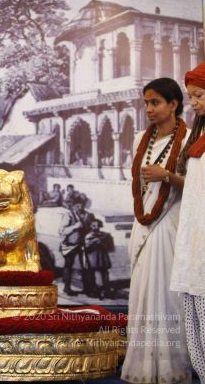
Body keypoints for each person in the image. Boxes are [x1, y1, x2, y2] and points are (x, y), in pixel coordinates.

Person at [122, 77, 191, 384]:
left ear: (173, 104)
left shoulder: (190, 140)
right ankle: (142, 368)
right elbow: (138, 186)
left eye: (155, 102)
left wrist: (167, 176)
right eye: (146, 103)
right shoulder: (141, 138)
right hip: (145, 224)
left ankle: (171, 370)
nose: (149, 109)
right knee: (142, 292)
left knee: (168, 295)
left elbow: (198, 188)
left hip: (171, 224)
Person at [172, 62, 205, 381]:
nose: (193, 102)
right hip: (194, 239)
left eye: (199, 95)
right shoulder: (197, 136)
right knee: (194, 311)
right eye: (191, 96)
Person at [58, 194, 93, 296]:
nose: (80, 208)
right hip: (70, 244)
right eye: (77, 206)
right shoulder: (68, 215)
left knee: (86, 266)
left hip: (83, 244)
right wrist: (74, 227)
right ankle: (67, 288)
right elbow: (61, 231)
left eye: (82, 205)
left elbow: (91, 228)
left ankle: (87, 289)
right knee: (68, 265)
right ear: (73, 206)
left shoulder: (87, 215)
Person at [82, 218, 113, 299]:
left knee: (105, 274)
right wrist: (94, 241)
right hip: (93, 258)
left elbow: (110, 247)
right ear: (90, 226)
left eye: (98, 225)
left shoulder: (105, 235)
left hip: (103, 257)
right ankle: (98, 291)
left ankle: (106, 291)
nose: (96, 227)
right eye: (94, 226)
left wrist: (103, 242)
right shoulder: (88, 236)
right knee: (96, 274)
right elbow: (86, 247)